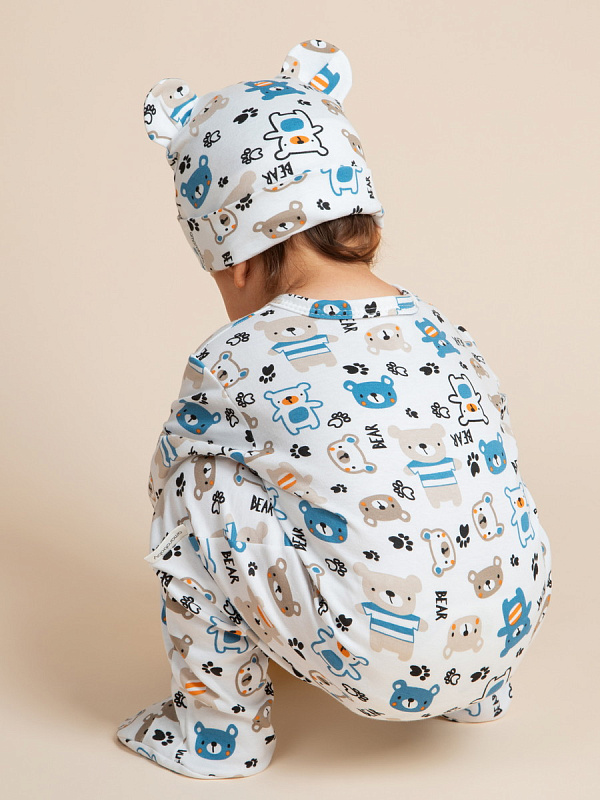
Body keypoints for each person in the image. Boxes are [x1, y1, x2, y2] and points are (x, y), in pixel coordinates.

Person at [116, 38, 553, 780]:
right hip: (509, 631)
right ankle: (476, 690)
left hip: (372, 663)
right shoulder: (443, 327)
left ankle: (220, 730)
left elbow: (165, 484)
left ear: (235, 257)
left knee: (194, 483)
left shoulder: (232, 355)